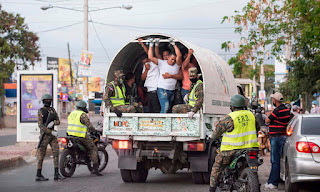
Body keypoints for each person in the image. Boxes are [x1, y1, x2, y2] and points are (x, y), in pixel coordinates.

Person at [209, 94, 260, 191]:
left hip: (231, 151)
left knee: (216, 168)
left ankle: (211, 189)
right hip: (251, 148)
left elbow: (216, 133)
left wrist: (212, 138)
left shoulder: (229, 118)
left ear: (232, 106)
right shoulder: (251, 115)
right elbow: (257, 128)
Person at [263, 92, 291, 190]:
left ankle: (273, 182)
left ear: (275, 100)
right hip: (282, 136)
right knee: (278, 159)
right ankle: (276, 178)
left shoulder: (277, 111)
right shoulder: (287, 110)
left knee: (275, 160)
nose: (272, 101)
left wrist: (269, 114)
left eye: (273, 100)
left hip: (276, 137)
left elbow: (267, 120)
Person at [67, 101, 102, 176]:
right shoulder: (83, 115)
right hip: (80, 136)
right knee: (93, 148)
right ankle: (95, 169)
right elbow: (89, 126)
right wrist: (95, 130)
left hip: (70, 135)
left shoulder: (72, 113)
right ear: (84, 107)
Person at [148, 38, 183, 113]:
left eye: (174, 60)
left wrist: (174, 44)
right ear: (168, 57)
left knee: (168, 108)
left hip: (172, 90)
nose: (173, 61)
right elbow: (150, 57)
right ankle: (161, 124)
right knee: (165, 107)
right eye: (172, 59)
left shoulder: (177, 65)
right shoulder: (162, 63)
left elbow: (179, 55)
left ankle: (164, 123)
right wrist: (151, 45)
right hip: (162, 89)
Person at [36, 94, 64, 181]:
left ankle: (56, 173)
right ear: (43, 101)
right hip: (45, 135)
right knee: (41, 155)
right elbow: (41, 126)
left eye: (49, 100)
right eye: (46, 100)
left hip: (52, 135)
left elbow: (58, 121)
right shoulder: (41, 111)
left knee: (56, 153)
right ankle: (38, 174)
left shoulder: (52, 110)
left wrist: (53, 123)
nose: (48, 101)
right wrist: (50, 131)